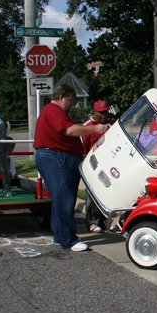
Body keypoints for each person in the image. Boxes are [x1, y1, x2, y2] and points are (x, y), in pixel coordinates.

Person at [35, 84, 108, 251]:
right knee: (65, 200)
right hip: (57, 158)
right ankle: (69, 240)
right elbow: (68, 130)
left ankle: (60, 235)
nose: (72, 103)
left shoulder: (50, 111)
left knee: (60, 200)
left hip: (53, 157)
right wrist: (94, 128)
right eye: (70, 100)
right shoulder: (55, 111)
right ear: (62, 98)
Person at [82, 100, 111, 234]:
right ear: (94, 112)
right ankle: (92, 222)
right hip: (92, 166)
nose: (104, 115)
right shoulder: (87, 127)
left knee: (107, 194)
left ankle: (105, 221)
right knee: (93, 196)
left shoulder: (111, 126)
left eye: (105, 112)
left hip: (108, 164)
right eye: (101, 112)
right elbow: (82, 148)